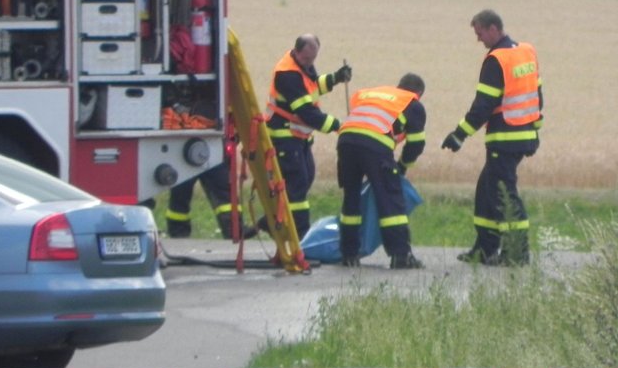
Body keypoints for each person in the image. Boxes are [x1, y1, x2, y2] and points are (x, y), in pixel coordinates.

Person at [441, 9, 542, 266]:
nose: (479, 40)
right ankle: (485, 249)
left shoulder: (496, 60)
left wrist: (458, 135)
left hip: (505, 136)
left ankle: (517, 252)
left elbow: (484, 105)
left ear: (494, 29)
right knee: (486, 189)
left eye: (480, 33)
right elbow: (537, 94)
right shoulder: (526, 51)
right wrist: (535, 131)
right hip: (524, 133)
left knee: (503, 194)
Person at [262, 33, 351, 239]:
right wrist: (339, 126)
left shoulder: (302, 64)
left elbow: (311, 85)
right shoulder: (287, 74)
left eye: (313, 59)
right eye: (307, 59)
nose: (310, 63)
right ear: (297, 51)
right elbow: (307, 113)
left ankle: (273, 221)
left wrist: (336, 78)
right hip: (284, 137)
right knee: (297, 185)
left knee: (306, 177)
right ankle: (299, 234)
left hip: (299, 138)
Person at [337, 73, 427, 269]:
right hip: (375, 146)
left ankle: (349, 255)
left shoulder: (372, 93)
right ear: (418, 93)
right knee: (390, 200)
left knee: (351, 198)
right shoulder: (412, 103)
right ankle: (400, 256)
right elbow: (416, 145)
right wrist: (402, 166)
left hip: (345, 141)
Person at [165, 162, 241, 239]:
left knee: (224, 191)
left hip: (212, 156)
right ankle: (178, 232)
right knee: (181, 194)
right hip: (183, 158)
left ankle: (236, 230)